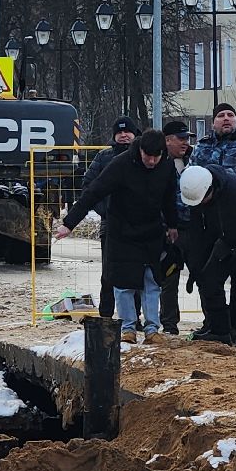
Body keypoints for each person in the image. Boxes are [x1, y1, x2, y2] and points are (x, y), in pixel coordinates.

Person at [55, 130, 178, 343]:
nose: (151, 161)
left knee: (152, 280)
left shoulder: (166, 167)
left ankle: (152, 329)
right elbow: (93, 192)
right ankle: (128, 328)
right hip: (122, 231)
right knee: (123, 283)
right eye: (147, 155)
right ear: (139, 150)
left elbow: (169, 198)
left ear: (162, 154)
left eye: (155, 156)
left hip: (151, 231)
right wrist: (69, 223)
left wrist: (173, 225)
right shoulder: (121, 164)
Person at [180, 165, 236, 349]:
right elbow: (198, 236)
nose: (201, 205)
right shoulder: (197, 199)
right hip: (227, 238)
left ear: (211, 188)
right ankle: (220, 330)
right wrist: (197, 268)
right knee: (209, 279)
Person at [81, 116, 140, 325]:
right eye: (119, 132)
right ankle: (106, 315)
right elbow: (89, 185)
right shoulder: (103, 157)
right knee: (109, 271)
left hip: (139, 226)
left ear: (135, 134)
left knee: (137, 273)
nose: (124, 135)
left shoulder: (144, 156)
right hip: (111, 224)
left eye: (128, 132)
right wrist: (103, 210)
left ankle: (134, 318)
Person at [156, 119, 196, 335]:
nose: (185, 143)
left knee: (202, 274)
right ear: (167, 140)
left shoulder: (195, 160)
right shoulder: (158, 162)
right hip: (168, 229)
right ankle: (169, 325)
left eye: (187, 139)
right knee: (169, 278)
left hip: (194, 228)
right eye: (180, 139)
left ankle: (213, 323)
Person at [191, 102, 236, 186]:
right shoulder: (202, 145)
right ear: (213, 123)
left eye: (230, 115)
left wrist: (217, 177)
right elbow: (192, 173)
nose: (226, 118)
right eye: (221, 115)